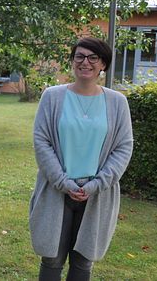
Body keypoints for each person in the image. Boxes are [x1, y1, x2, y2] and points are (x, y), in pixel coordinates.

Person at [29, 37, 133, 281]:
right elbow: (42, 141)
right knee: (52, 258)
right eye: (79, 56)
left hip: (97, 194)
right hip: (56, 190)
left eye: (92, 57)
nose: (85, 62)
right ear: (73, 61)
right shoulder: (52, 97)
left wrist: (95, 185)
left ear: (103, 64)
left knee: (84, 261)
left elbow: (123, 147)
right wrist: (64, 182)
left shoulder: (118, 103)